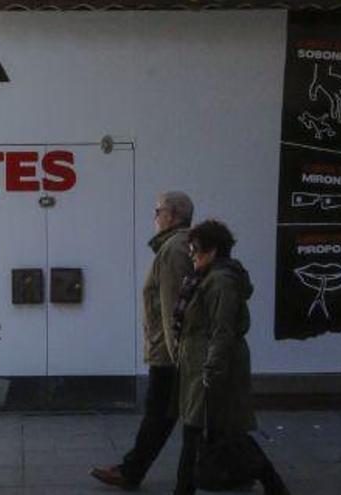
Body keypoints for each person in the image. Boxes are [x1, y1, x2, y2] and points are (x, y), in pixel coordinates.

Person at [173, 219, 290, 495]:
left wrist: (212, 370)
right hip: (201, 363)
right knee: (217, 429)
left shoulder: (221, 282)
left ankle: (184, 489)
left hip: (213, 365)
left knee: (208, 430)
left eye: (195, 249)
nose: (191, 254)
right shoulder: (203, 277)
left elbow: (222, 330)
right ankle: (273, 484)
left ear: (212, 250)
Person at [89, 191, 194, 489]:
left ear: (172, 216)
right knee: (188, 417)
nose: (154, 216)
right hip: (172, 350)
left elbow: (175, 306)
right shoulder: (178, 246)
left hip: (169, 353)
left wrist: (175, 353)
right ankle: (131, 468)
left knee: (159, 414)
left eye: (157, 210)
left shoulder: (174, 250)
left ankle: (131, 471)